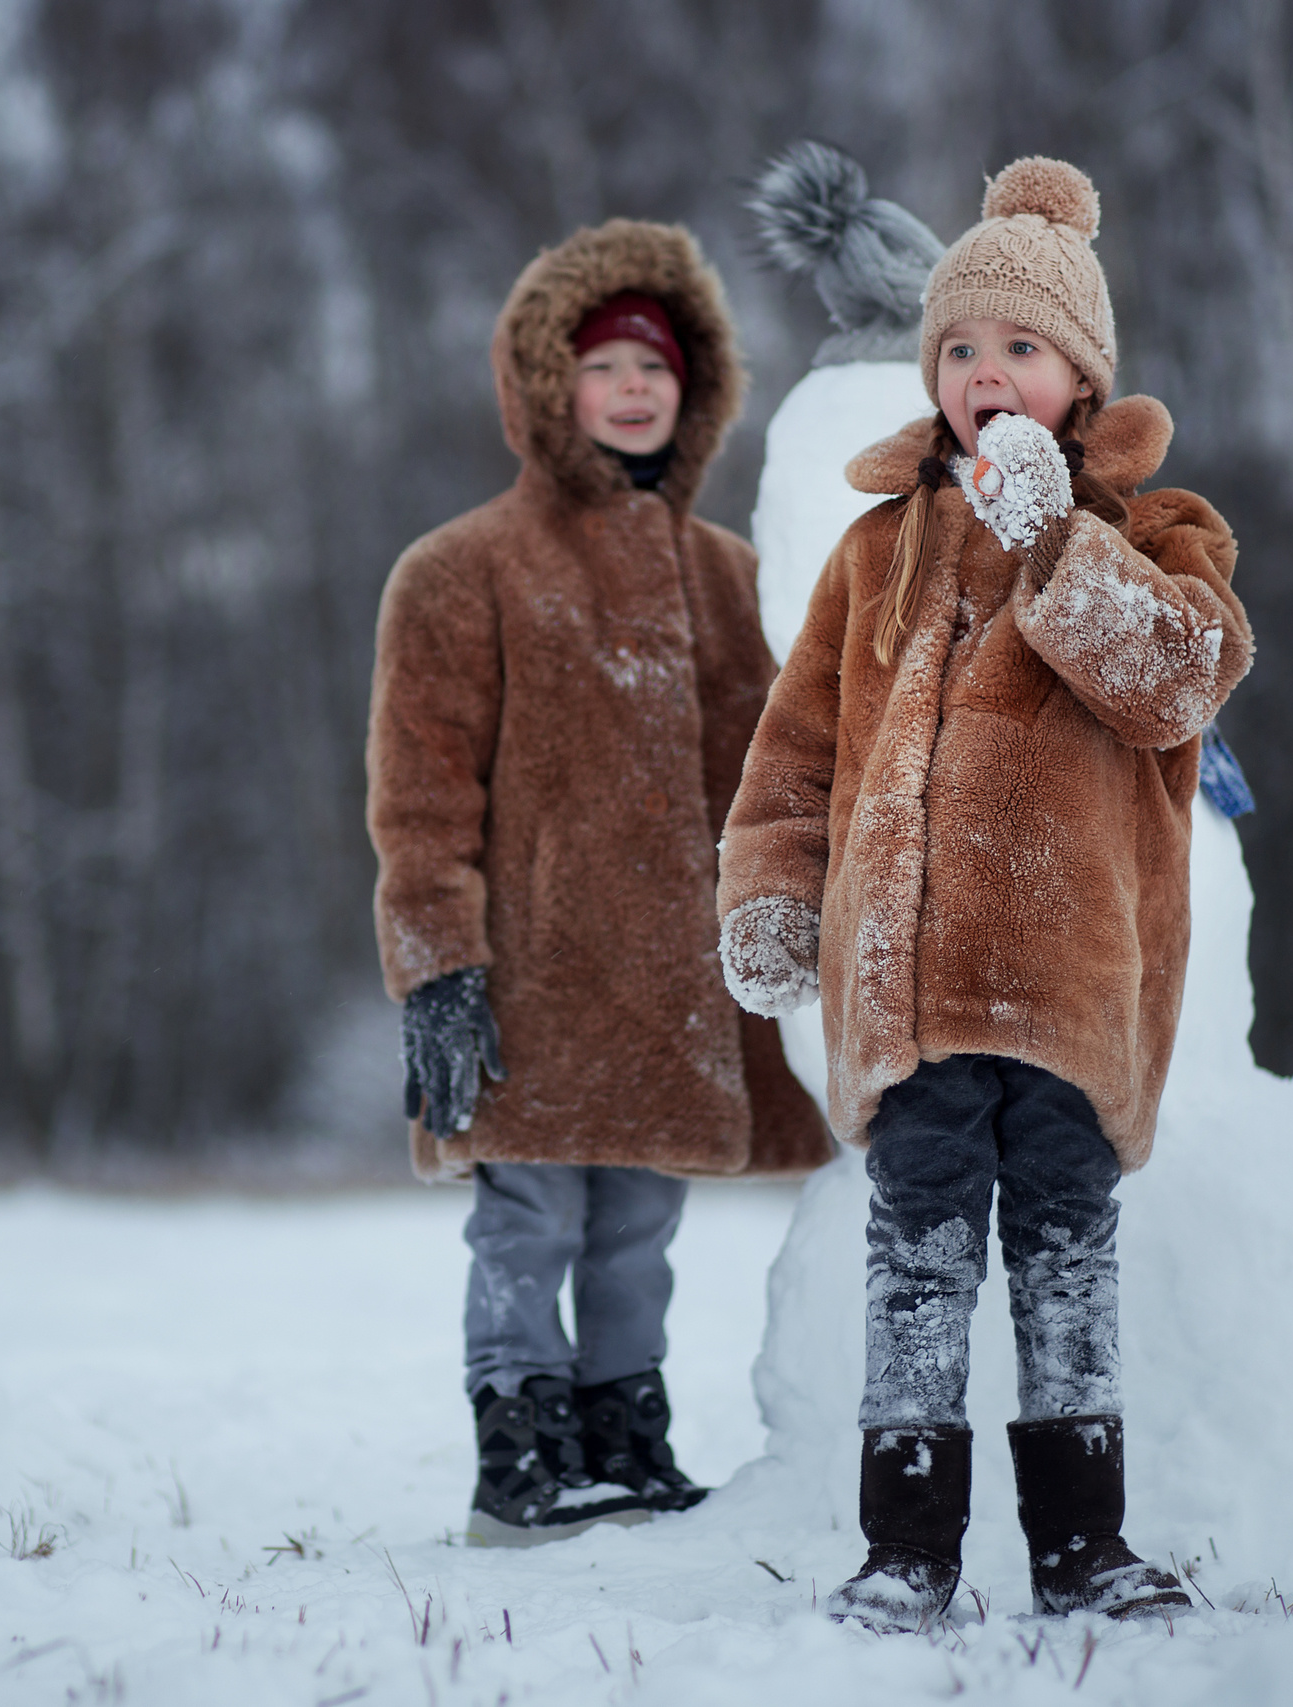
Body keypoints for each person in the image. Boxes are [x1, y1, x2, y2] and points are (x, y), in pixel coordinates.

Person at [716, 157, 1252, 1628]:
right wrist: (771, 894)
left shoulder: (1156, 534)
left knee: (1068, 1258)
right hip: (911, 990)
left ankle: (1085, 1542)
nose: (985, 374)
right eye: (960, 348)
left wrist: (1051, 539)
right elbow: (797, 750)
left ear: (1082, 373)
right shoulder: (878, 548)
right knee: (921, 1260)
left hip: (1073, 988)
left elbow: (1174, 683)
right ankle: (909, 1550)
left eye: (1019, 347)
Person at [366, 220, 831, 1548]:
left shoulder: (730, 579)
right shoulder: (463, 571)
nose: (634, 389)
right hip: (526, 978)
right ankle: (521, 1449)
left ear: (696, 394)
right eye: (605, 363)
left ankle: (623, 1435)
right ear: (545, 384)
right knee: (531, 1221)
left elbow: (792, 760)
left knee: (637, 1231)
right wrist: (438, 966)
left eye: (659, 368)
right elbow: (421, 793)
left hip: (673, 992)